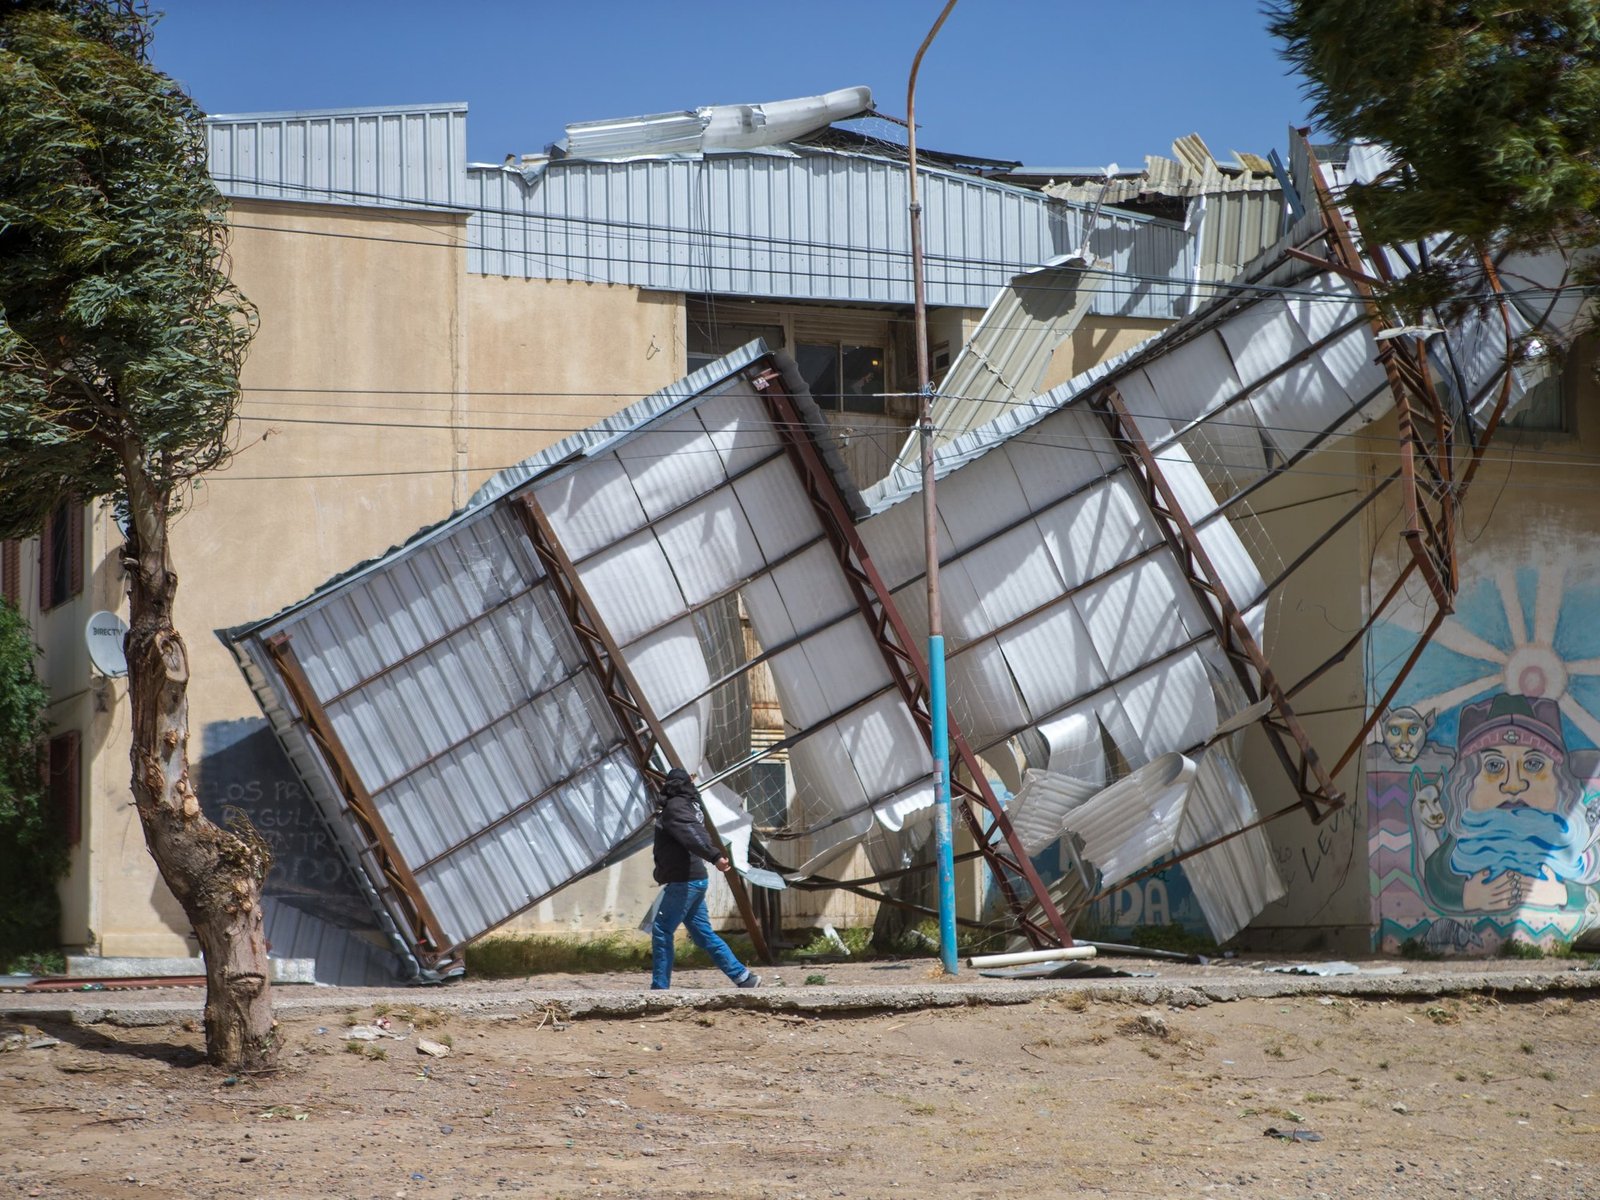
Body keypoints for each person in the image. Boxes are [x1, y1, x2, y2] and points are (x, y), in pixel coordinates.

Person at [650, 767, 760, 991]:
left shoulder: (676, 808)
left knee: (661, 930)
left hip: (684, 881)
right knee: (703, 934)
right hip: (694, 880)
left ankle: (659, 989)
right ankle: (744, 978)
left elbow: (692, 835)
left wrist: (715, 856)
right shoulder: (689, 806)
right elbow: (694, 833)